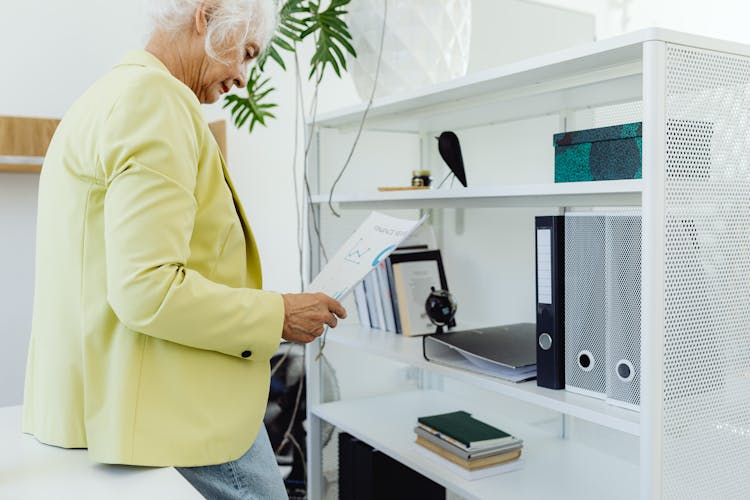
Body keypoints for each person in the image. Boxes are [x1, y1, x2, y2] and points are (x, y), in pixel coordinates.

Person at [22, 0, 346, 498]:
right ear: (207, 16)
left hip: (96, 406)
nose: (242, 77)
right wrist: (277, 314)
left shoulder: (104, 96)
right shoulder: (157, 101)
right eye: (248, 52)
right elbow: (147, 288)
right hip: (169, 416)